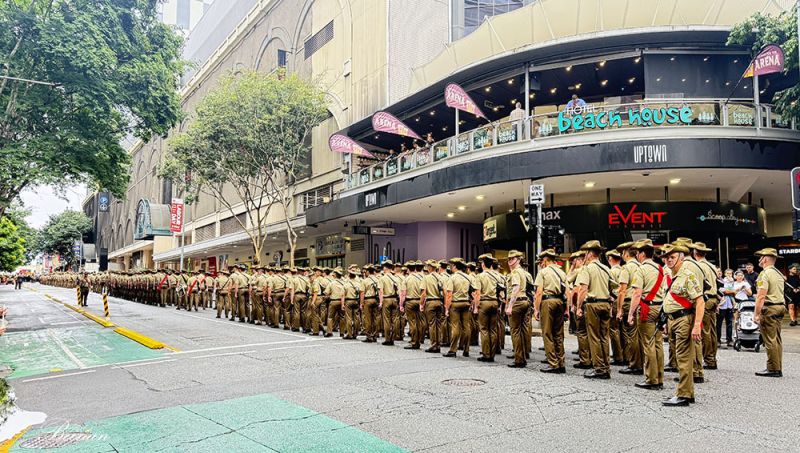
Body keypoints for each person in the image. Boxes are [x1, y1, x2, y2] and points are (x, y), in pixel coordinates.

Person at [660, 243, 705, 407]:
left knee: (683, 358)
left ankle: (683, 395)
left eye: (672, 257)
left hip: (684, 320)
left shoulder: (687, 275)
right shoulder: (670, 276)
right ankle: (687, 393)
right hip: (673, 320)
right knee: (680, 358)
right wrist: (667, 321)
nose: (668, 260)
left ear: (681, 258)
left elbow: (700, 301)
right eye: (666, 257)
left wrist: (697, 325)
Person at [575, 240, 616, 379]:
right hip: (605, 304)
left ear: (589, 254)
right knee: (604, 337)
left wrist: (579, 307)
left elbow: (583, 289)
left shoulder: (587, 268)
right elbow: (613, 287)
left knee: (594, 337)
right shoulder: (606, 268)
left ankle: (599, 368)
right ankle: (606, 367)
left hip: (593, 304)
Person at [628, 239, 666, 390]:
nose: (637, 256)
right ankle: (659, 377)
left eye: (638, 253)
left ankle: (651, 379)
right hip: (659, 307)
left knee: (648, 344)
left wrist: (630, 313)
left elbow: (637, 293)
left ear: (642, 254)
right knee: (658, 343)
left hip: (647, 309)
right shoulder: (660, 268)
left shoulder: (641, 269)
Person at [533, 249, 568, 373]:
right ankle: (561, 363)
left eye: (542, 261)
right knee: (558, 334)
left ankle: (553, 364)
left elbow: (539, 292)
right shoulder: (562, 272)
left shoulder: (543, 272)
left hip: (547, 302)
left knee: (547, 333)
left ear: (545, 260)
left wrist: (536, 309)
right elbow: (567, 292)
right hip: (560, 302)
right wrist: (567, 309)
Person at [753, 248, 786, 378]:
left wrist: (756, 313)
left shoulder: (764, 273)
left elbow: (761, 296)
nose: (759, 259)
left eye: (761, 257)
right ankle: (777, 367)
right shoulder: (778, 273)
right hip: (780, 306)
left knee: (770, 340)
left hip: (770, 308)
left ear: (765, 259)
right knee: (776, 339)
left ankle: (773, 369)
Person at [506, 250, 531, 368]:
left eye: (513, 259)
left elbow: (516, 288)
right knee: (522, 330)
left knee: (515, 332)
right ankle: (524, 355)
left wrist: (510, 306)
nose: (510, 261)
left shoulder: (515, 271)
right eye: (509, 259)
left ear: (519, 259)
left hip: (517, 302)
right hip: (524, 301)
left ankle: (519, 360)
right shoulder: (523, 271)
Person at [444, 258, 473, 358]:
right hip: (466, 303)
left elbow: (449, 295)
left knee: (455, 327)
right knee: (466, 327)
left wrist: (447, 308)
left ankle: (453, 350)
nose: (451, 267)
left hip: (455, 304)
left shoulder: (452, 278)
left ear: (455, 266)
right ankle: (466, 349)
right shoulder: (468, 277)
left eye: (452, 265)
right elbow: (473, 292)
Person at [717, 269, 735, 347]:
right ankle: (718, 340)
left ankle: (729, 340)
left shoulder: (732, 281)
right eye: (727, 273)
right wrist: (732, 291)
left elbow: (734, 290)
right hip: (721, 304)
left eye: (730, 273)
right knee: (719, 323)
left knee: (729, 323)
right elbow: (724, 291)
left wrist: (732, 291)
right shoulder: (720, 281)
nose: (729, 275)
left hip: (729, 304)